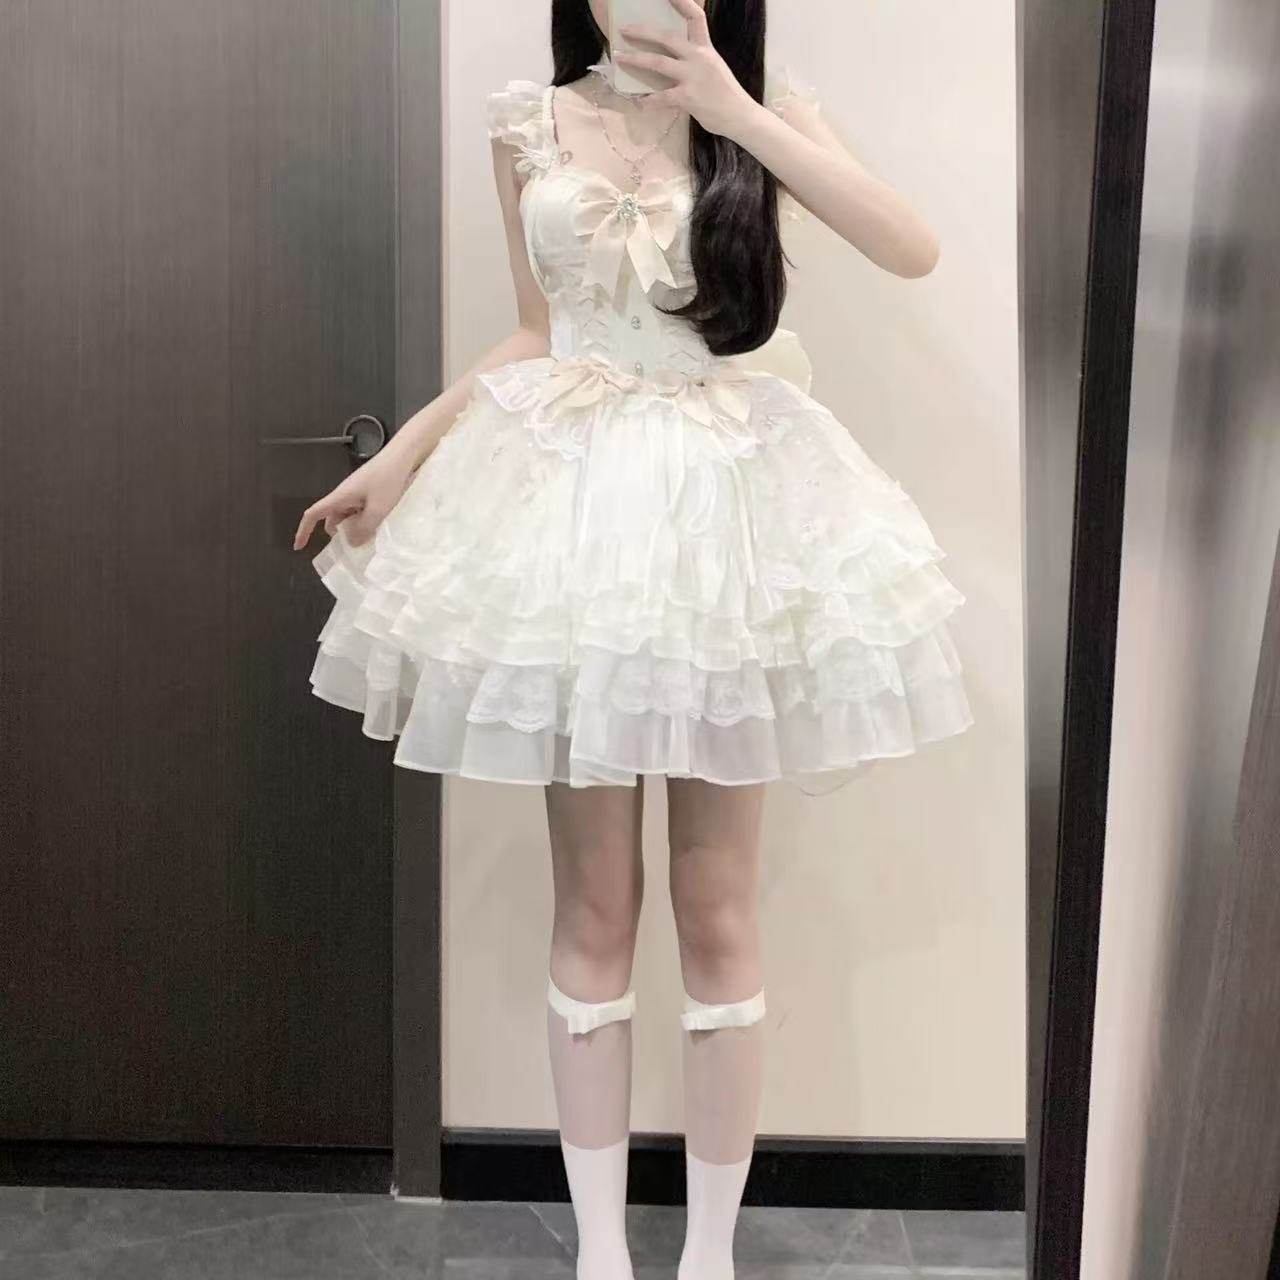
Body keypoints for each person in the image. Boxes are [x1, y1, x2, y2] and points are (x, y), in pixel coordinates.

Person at [294, 1, 973, 1275]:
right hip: (573, 523)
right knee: (593, 903)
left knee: (715, 906)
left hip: (721, 520)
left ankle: (707, 1253)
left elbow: (911, 245)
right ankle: (601, 1251)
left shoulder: (753, 111)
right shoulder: (529, 123)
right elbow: (536, 332)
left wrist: (736, 112)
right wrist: (403, 457)